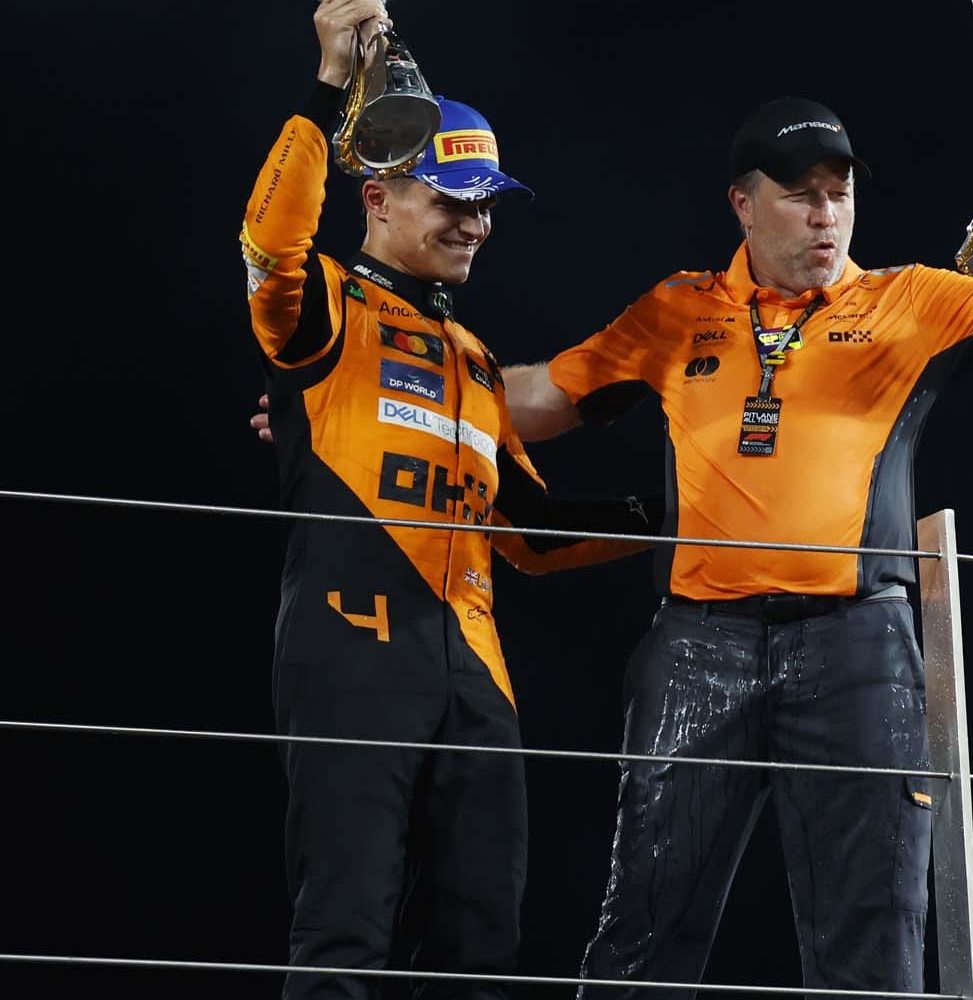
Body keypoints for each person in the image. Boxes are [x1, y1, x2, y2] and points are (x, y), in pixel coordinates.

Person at [512, 88, 973, 997]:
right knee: (644, 918)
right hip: (698, 645)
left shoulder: (909, 301)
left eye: (839, 192)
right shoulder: (678, 310)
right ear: (743, 205)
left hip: (855, 649)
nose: (825, 213)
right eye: (799, 193)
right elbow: (540, 400)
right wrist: (378, 383)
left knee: (872, 934)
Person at [240, 3, 656, 997]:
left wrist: (679, 521)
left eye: (487, 201)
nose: (476, 221)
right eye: (453, 197)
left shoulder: (472, 358)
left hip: (476, 677)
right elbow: (270, 249)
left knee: (482, 947)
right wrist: (330, 84)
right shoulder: (325, 307)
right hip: (350, 651)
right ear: (378, 193)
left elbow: (534, 536)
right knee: (343, 932)